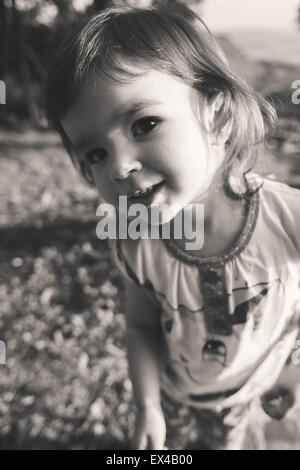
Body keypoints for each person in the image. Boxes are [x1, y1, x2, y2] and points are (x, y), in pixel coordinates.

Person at [46, 3, 300, 450]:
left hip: (269, 383)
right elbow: (142, 328)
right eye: (95, 154)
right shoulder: (135, 240)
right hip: (182, 396)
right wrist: (148, 406)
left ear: (218, 117)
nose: (120, 166)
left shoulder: (287, 218)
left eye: (144, 124)